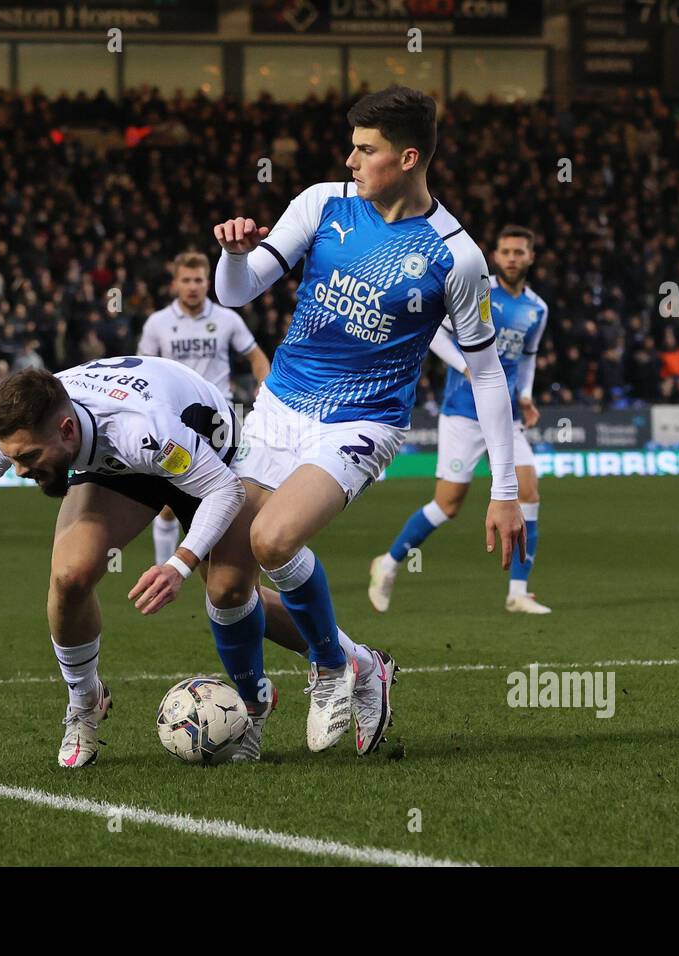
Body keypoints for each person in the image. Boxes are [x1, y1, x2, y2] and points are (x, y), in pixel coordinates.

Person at [206, 86, 525, 758]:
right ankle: (275, 702)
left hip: (361, 423)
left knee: (273, 540)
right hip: (278, 410)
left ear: (407, 157)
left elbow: (487, 371)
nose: (350, 159)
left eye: (365, 149)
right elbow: (235, 292)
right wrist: (234, 253)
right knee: (226, 581)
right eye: (351, 146)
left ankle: (331, 666)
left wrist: (503, 492)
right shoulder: (324, 204)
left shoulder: (456, 256)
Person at [0, 359, 310, 767]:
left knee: (229, 592)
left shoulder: (137, 428)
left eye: (28, 458)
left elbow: (224, 491)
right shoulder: (15, 430)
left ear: (65, 430)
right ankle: (85, 702)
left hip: (204, 439)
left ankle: (341, 659)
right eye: (12, 457)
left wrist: (179, 563)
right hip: (120, 457)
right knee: (70, 575)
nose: (18, 470)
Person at [370, 224, 551, 615]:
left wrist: (525, 395)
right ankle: (388, 562)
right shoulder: (479, 292)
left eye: (520, 252)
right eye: (506, 251)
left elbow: (528, 357)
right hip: (463, 413)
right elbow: (434, 329)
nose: (512, 258)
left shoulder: (537, 309)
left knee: (529, 490)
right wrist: (465, 368)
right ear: (496, 255)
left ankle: (518, 591)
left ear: (530, 257)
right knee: (448, 505)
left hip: (506, 415)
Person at [138, 251, 270, 565]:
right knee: (172, 498)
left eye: (198, 280)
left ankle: (233, 564)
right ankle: (163, 565)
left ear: (207, 282)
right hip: (175, 418)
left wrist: (264, 396)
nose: (193, 286)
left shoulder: (227, 319)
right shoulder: (158, 323)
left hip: (223, 415)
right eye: (186, 280)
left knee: (238, 491)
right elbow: (144, 369)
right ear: (175, 284)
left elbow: (256, 358)